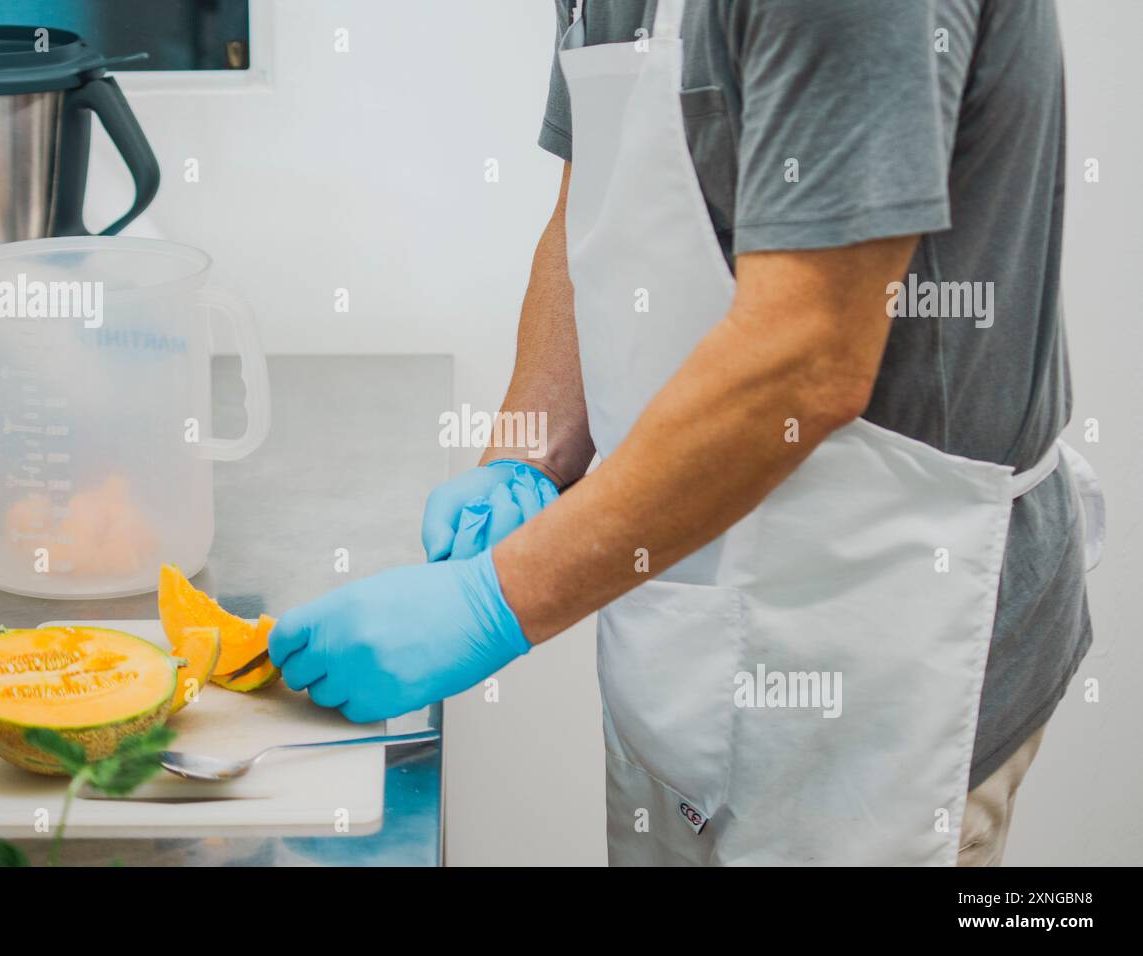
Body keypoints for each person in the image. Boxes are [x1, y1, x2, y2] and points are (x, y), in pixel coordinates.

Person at [268, 0, 1103, 865]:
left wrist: (496, 603)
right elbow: (595, 193)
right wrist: (530, 452)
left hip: (887, 666)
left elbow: (806, 353)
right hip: (682, 648)